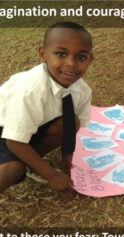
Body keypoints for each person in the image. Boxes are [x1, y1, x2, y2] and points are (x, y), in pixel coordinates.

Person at [0, 21, 93, 193]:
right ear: (43, 54)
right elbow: (14, 141)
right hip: (5, 132)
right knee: (12, 170)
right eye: (61, 54)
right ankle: (24, 164)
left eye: (81, 57)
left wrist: (67, 157)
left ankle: (31, 162)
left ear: (90, 59)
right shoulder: (30, 90)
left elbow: (71, 127)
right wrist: (52, 175)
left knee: (70, 122)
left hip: (31, 128)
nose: (71, 63)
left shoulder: (82, 90)